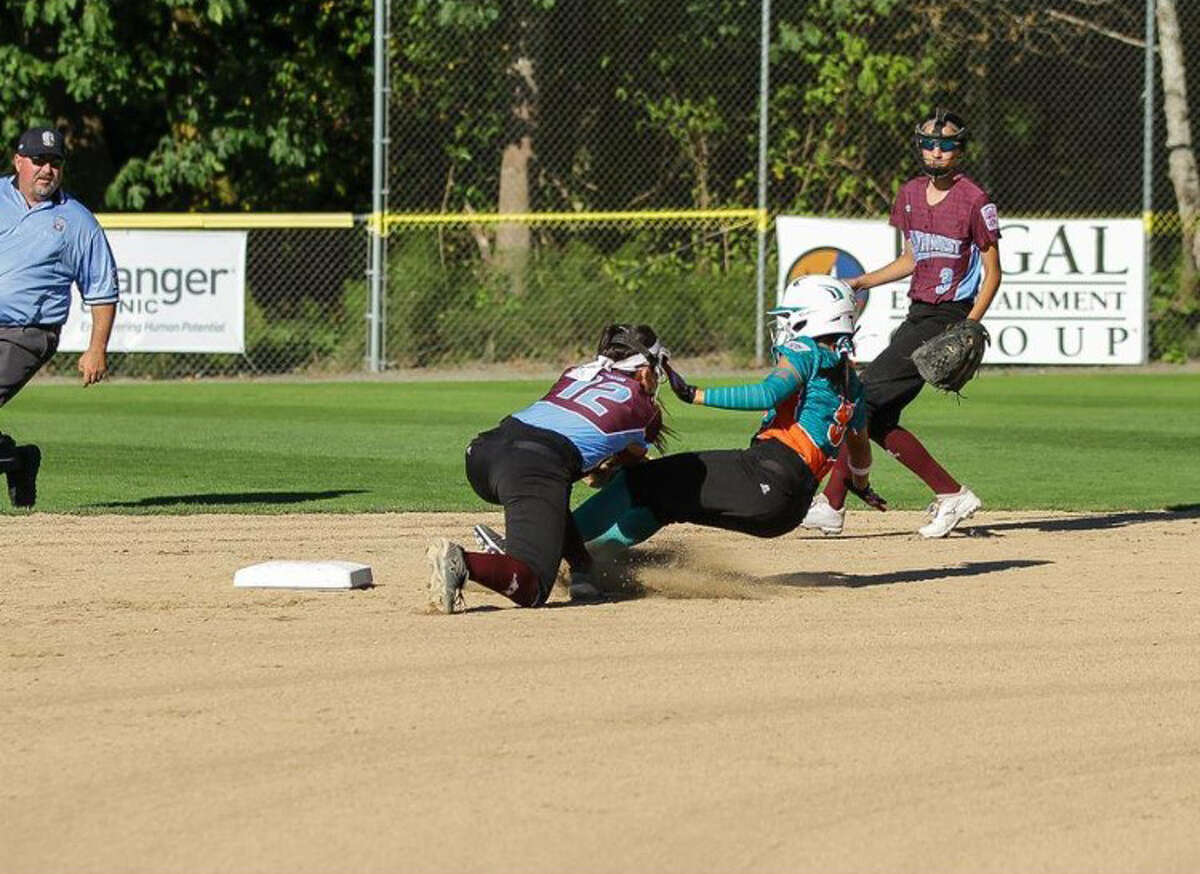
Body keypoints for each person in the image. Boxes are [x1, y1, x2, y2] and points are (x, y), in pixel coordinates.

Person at [568, 275, 884, 575]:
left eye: (792, 315)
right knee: (665, 502)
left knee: (642, 480)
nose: (786, 324)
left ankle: (550, 544)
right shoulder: (852, 384)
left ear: (814, 317)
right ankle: (595, 563)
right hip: (788, 509)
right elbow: (860, 454)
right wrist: (860, 485)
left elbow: (768, 393)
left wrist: (694, 394)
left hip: (767, 475)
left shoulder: (806, 351)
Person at [803, 107, 1001, 539]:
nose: (936, 152)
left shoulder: (975, 200)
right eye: (929, 145)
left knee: (861, 402)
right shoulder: (910, 193)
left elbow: (993, 273)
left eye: (946, 145)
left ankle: (837, 504)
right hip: (918, 313)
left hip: (947, 316)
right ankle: (945, 495)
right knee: (875, 418)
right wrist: (860, 280)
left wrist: (969, 325)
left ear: (960, 150)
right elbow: (911, 260)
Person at [425, 323, 669, 613]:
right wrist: (609, 469)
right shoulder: (647, 411)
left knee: (556, 485)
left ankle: (582, 571)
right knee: (535, 586)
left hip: (484, 451)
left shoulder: (576, 374)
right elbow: (613, 468)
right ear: (643, 370)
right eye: (657, 366)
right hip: (530, 467)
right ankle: (463, 562)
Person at [1, 127, 119, 508]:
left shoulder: (77, 221)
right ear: (18, 161)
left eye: (55, 162)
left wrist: (96, 348)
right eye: (39, 160)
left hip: (27, 334)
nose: (46, 169)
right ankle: (16, 460)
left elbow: (102, 290)